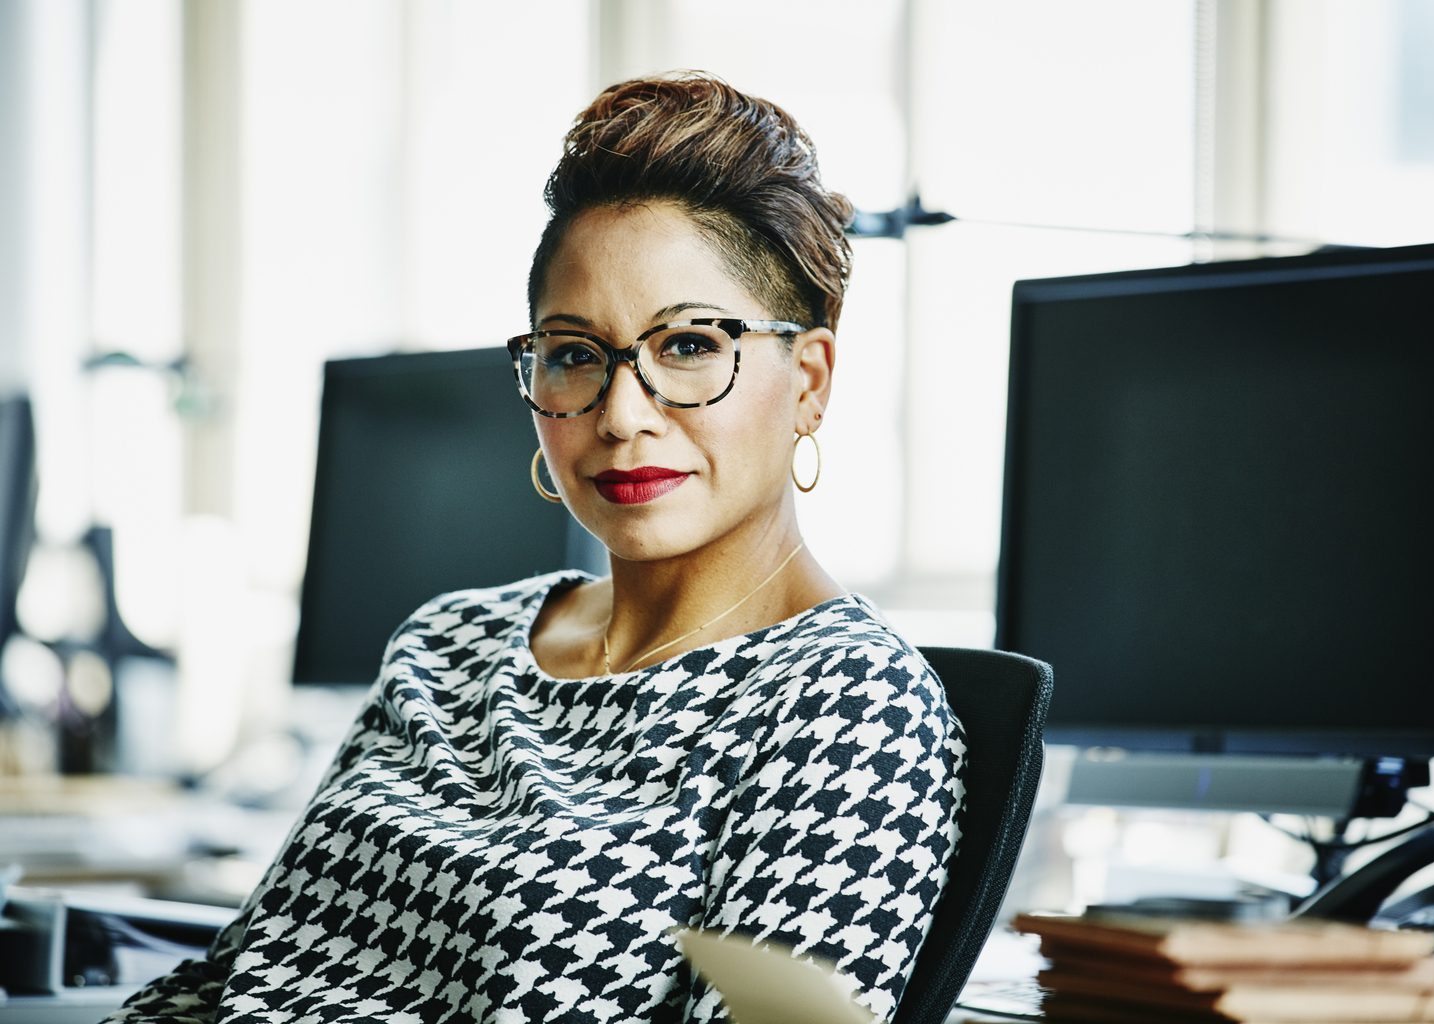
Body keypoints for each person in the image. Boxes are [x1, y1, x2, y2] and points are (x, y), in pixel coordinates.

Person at [112, 73, 965, 1024]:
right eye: (574, 354)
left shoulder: (849, 708)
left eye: (688, 347)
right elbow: (228, 978)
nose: (622, 415)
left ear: (808, 381)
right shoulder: (448, 645)